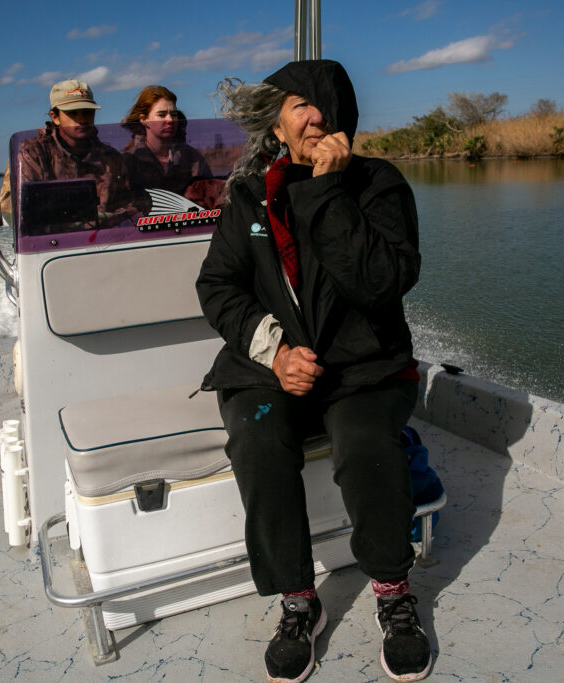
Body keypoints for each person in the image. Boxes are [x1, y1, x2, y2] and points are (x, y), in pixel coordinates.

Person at [195, 60, 429, 682]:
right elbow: (218, 286)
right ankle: (298, 600)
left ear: (347, 117)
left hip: (364, 367)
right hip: (274, 370)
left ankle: (392, 589)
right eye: (300, 104)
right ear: (277, 120)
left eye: (327, 105)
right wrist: (273, 352)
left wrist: (328, 192)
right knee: (257, 435)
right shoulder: (248, 194)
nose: (316, 116)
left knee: (363, 442)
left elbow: (380, 283)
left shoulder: (379, 185)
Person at [0, 79, 134, 228]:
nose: (82, 119)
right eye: (73, 113)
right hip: (53, 245)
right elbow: (19, 212)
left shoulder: (111, 158)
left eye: (87, 112)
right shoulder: (33, 154)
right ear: (55, 117)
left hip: (105, 241)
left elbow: (128, 205)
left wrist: (108, 219)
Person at [120, 85, 215, 207]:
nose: (170, 119)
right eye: (162, 115)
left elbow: (210, 200)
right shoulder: (129, 161)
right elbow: (119, 208)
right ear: (144, 119)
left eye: (173, 114)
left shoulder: (191, 158)